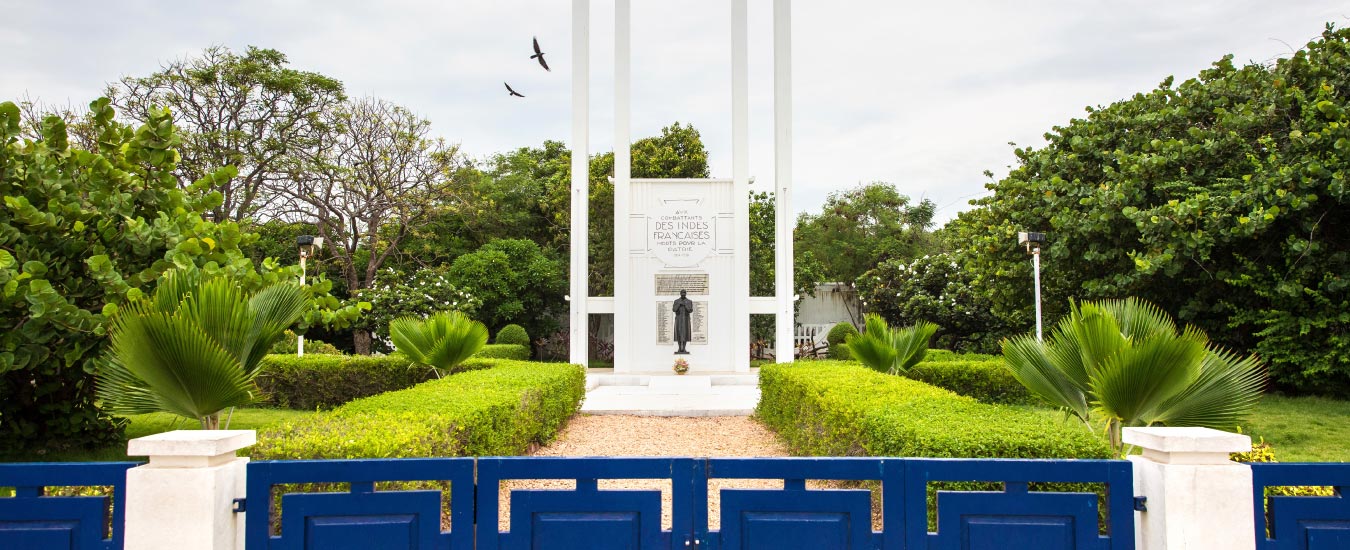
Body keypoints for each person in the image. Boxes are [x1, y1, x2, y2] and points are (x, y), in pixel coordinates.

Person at [672, 290, 694, 354]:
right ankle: (679, 348)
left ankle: (684, 348)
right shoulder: (676, 301)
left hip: (686, 320)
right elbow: (674, 309)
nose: (683, 294)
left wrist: (685, 305)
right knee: (678, 333)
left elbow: (690, 310)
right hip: (678, 319)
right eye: (682, 293)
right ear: (680, 293)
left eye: (684, 293)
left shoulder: (689, 301)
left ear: (686, 294)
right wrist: (679, 304)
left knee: (685, 333)